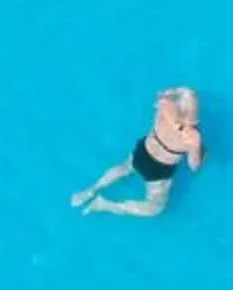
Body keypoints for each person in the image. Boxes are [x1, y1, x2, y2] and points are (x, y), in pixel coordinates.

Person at [72, 87, 204, 216]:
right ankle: (105, 205)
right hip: (159, 170)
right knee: (155, 208)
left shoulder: (164, 104)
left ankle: (91, 189)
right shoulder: (193, 137)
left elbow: (162, 95)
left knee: (124, 167)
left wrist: (174, 93)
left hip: (142, 152)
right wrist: (198, 151)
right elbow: (193, 166)